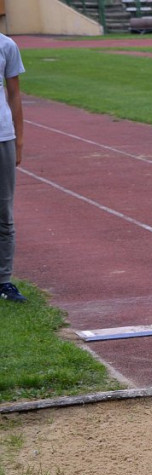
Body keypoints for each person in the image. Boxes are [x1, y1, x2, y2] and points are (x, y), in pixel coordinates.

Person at [0, 33, 24, 304]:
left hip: (3, 137)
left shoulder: (6, 45)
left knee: (4, 213)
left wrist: (19, 140)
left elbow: (15, 94)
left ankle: (3, 281)